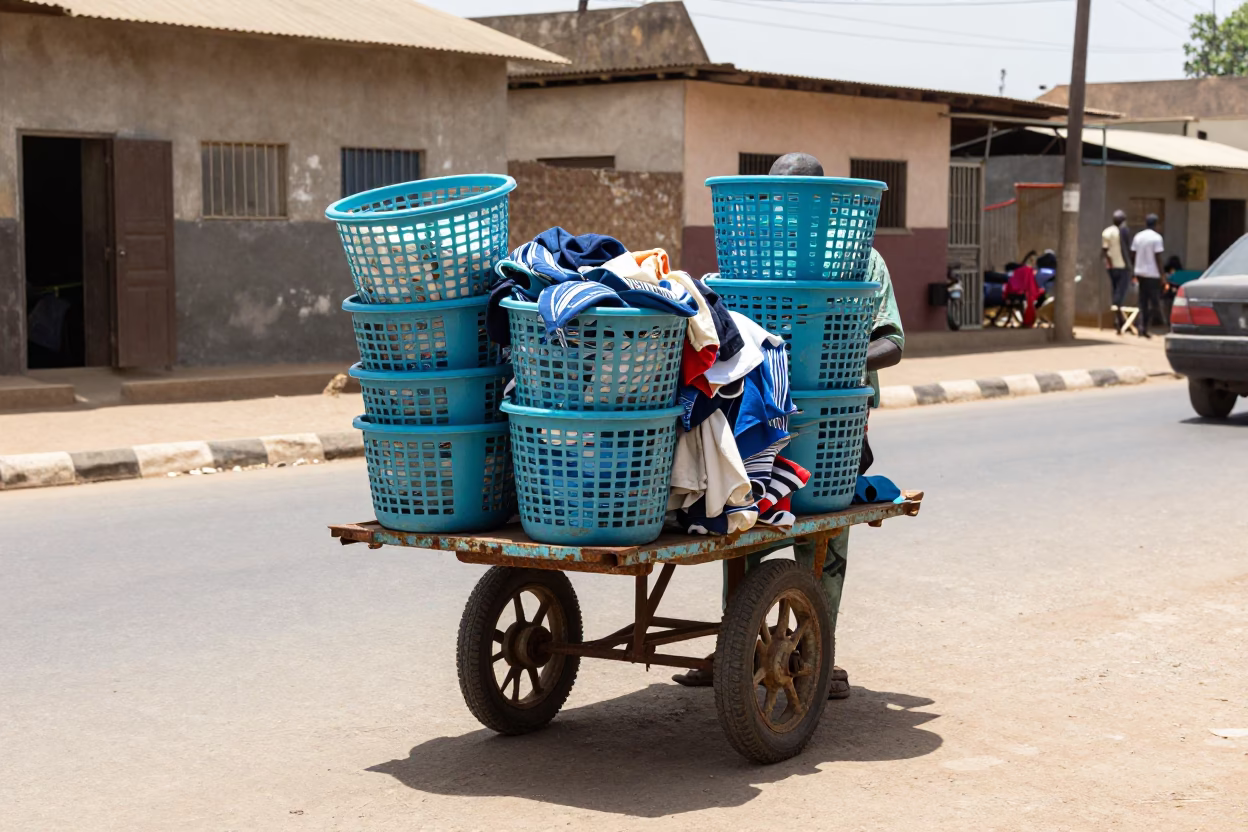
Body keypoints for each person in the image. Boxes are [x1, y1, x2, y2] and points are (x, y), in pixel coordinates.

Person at [672, 152, 905, 699]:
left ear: (824, 206)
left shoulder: (863, 261)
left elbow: (892, 342)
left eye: (799, 202)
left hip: (834, 424)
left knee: (824, 534)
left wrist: (836, 357)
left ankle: (816, 654)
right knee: (744, 529)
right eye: (778, 201)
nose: (786, 213)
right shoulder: (754, 257)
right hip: (760, 416)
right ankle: (739, 648)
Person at [1130, 214, 1166, 339]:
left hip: (1140, 272)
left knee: (1142, 301)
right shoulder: (1157, 238)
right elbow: (1158, 258)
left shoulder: (1138, 236)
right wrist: (1163, 276)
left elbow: (1133, 255)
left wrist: (1133, 271)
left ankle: (1141, 327)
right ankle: (1147, 326)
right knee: (1153, 302)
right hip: (1152, 274)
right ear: (1156, 224)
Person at [1102, 209, 1134, 333]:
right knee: (1120, 294)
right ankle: (1119, 321)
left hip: (1112, 267)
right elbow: (1128, 250)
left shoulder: (1107, 232)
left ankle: (1118, 319)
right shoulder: (1124, 231)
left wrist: (1109, 264)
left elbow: (1105, 250)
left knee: (1115, 292)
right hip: (1123, 267)